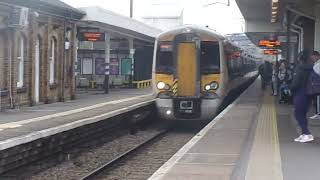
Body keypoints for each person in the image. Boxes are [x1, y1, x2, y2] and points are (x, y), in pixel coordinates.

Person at [290, 49, 314, 143]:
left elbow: (296, 83)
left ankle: (307, 133)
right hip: (309, 93)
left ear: (299, 58)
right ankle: (304, 134)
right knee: (303, 113)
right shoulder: (311, 68)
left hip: (300, 93)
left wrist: (290, 88)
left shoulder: (299, 68)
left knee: (298, 114)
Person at [309, 51, 320, 119]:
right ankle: (317, 113)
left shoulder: (318, 64)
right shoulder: (316, 63)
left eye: (312, 57)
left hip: (318, 85)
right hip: (316, 85)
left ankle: (318, 114)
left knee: (318, 100)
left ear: (316, 56)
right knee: (316, 99)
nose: (312, 58)